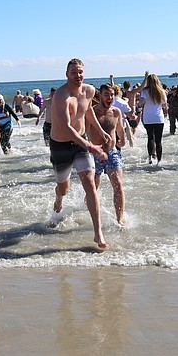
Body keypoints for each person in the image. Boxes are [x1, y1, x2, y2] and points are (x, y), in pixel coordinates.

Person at [50, 59, 111, 248]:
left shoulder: (90, 91)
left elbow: (87, 111)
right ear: (67, 74)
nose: (78, 75)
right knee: (64, 189)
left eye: (80, 72)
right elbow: (66, 127)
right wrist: (91, 146)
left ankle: (97, 233)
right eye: (74, 72)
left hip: (81, 143)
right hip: (60, 144)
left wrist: (101, 131)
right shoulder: (61, 96)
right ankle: (58, 197)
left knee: (90, 183)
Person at [90, 83, 126, 225]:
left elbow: (120, 129)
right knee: (93, 188)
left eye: (112, 95)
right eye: (107, 94)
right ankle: (88, 211)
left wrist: (122, 140)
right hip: (95, 154)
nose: (110, 97)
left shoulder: (116, 112)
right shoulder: (92, 112)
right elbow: (83, 131)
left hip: (112, 152)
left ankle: (120, 219)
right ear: (100, 96)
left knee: (117, 184)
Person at [139, 72, 167, 165]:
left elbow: (141, 102)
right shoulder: (161, 91)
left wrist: (142, 102)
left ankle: (150, 158)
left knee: (150, 138)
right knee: (158, 140)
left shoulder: (145, 91)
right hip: (158, 118)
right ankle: (159, 161)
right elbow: (165, 105)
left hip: (148, 118)